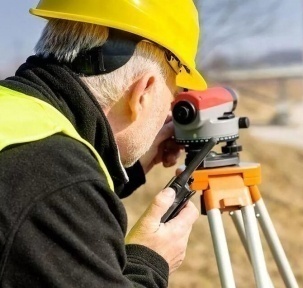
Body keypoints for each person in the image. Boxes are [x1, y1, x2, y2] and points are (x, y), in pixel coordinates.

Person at [0, 0, 207, 286]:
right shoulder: (58, 182)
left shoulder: (16, 120)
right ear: (143, 90)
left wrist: (131, 166)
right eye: (172, 97)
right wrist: (149, 261)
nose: (166, 115)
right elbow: (56, 191)